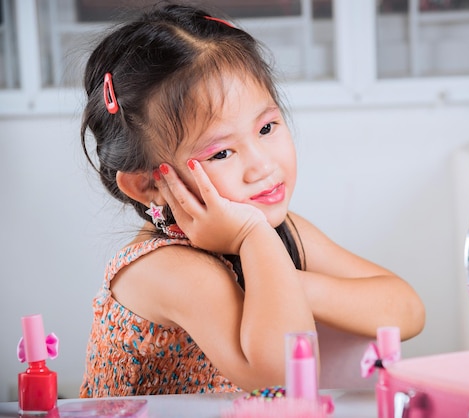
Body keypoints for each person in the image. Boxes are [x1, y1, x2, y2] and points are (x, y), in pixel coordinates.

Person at [79, 3, 425, 398]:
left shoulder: (280, 232)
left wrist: (286, 282)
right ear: (148, 186)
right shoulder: (165, 268)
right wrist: (254, 240)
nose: (261, 166)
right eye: (221, 153)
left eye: (267, 127)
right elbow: (282, 376)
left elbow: (406, 311)